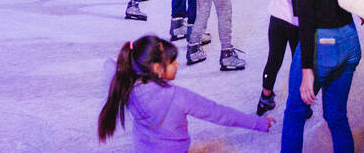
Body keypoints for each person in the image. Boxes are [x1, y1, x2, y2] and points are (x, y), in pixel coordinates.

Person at [97, 35, 272, 151]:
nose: (177, 65)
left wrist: (120, 63)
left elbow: (109, 66)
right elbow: (219, 113)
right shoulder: (177, 97)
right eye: (172, 62)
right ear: (157, 69)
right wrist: (258, 123)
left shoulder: (128, 86)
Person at [280, 0, 359, 153]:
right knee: (336, 116)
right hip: (350, 42)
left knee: (294, 113)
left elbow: (306, 18)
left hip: (320, 45)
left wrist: (307, 70)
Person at [256, 0, 300, 117]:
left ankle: (265, 97)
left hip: (276, 18)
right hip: (295, 23)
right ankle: (300, 102)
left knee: (273, 58)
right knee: (299, 62)